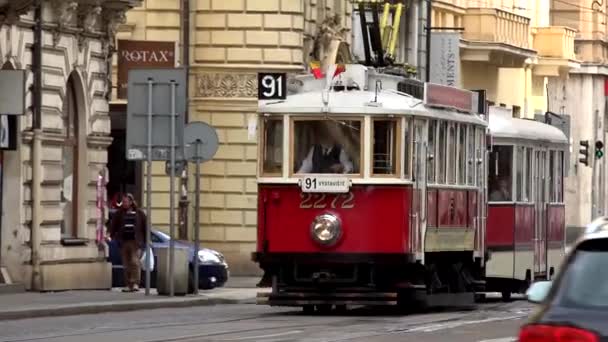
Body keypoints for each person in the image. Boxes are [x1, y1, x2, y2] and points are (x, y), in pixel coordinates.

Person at [108, 193, 147, 292]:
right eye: (123, 202)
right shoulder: (119, 213)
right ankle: (128, 284)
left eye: (125, 201)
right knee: (126, 264)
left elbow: (145, 227)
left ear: (131, 202)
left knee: (134, 262)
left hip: (136, 242)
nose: (124, 203)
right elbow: (114, 226)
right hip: (124, 241)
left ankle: (135, 283)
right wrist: (111, 236)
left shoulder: (139, 213)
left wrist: (146, 241)